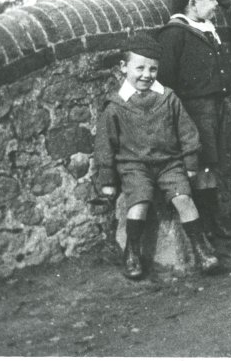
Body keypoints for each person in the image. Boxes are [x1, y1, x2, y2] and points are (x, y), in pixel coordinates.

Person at [94, 33, 220, 278]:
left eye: (153, 69)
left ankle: (201, 249)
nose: (146, 74)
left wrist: (191, 163)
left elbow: (187, 132)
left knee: (184, 199)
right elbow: (105, 145)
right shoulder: (116, 106)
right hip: (134, 167)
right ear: (123, 68)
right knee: (138, 203)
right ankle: (132, 252)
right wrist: (107, 180)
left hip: (169, 164)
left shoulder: (168, 98)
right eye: (139, 67)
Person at [157, 0, 231, 245]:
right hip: (193, 111)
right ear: (192, 4)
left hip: (214, 107)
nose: (216, 5)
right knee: (200, 164)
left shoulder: (205, 28)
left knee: (211, 164)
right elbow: (166, 79)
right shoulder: (175, 34)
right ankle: (204, 221)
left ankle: (213, 218)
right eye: (212, 0)